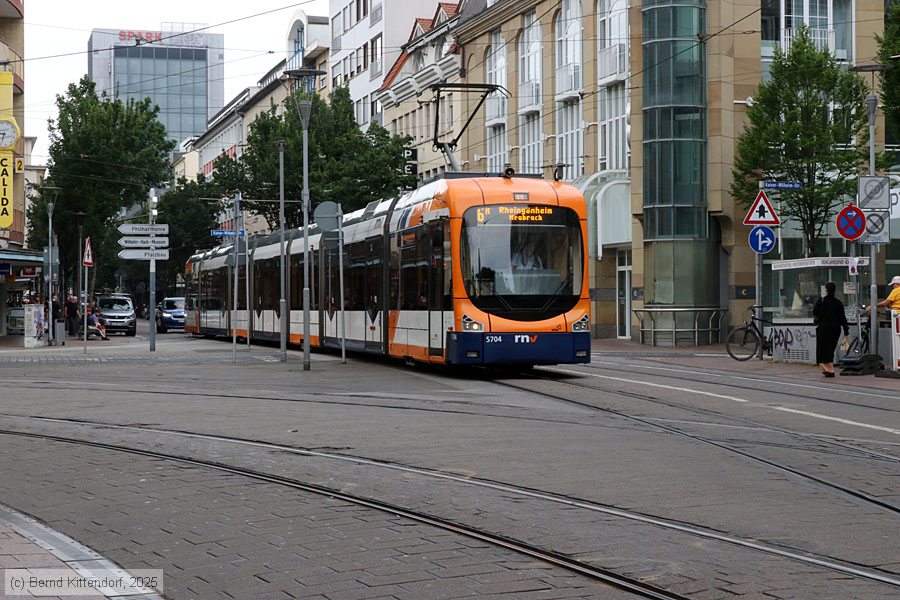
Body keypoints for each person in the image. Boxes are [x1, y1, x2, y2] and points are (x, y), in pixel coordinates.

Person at [812, 281, 849, 378]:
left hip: (824, 328)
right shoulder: (838, 303)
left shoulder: (822, 301)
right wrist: (846, 331)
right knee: (830, 349)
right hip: (835, 329)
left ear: (826, 290)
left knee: (821, 349)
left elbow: (815, 312)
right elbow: (842, 318)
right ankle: (830, 368)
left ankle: (826, 368)